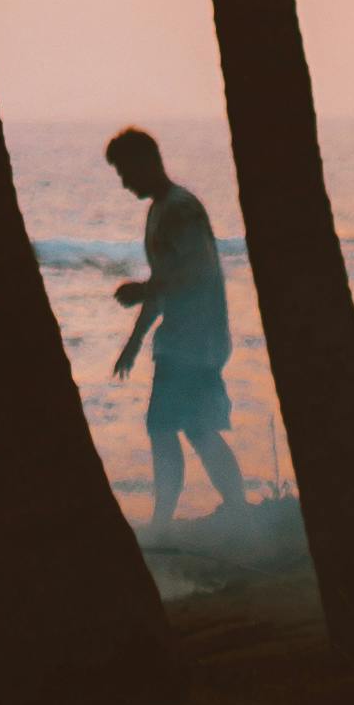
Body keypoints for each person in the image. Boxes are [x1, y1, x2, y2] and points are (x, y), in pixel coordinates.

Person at [107, 126, 246, 530]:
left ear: (147, 162)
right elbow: (165, 285)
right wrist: (134, 342)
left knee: (168, 427)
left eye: (125, 171)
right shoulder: (161, 211)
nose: (124, 181)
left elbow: (196, 271)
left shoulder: (180, 210)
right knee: (195, 428)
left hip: (196, 340)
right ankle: (234, 510)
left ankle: (165, 521)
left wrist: (144, 289)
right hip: (181, 340)